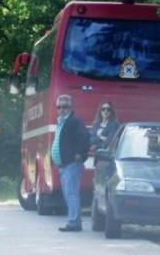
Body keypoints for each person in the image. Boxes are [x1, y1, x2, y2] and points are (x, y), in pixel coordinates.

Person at [51, 94, 89, 232]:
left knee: (72, 195)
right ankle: (75, 221)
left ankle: (73, 223)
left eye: (65, 107)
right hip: (64, 165)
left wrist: (80, 154)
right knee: (69, 195)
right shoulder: (62, 122)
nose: (61, 109)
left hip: (71, 164)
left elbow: (85, 137)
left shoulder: (74, 121)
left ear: (71, 107)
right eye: (59, 107)